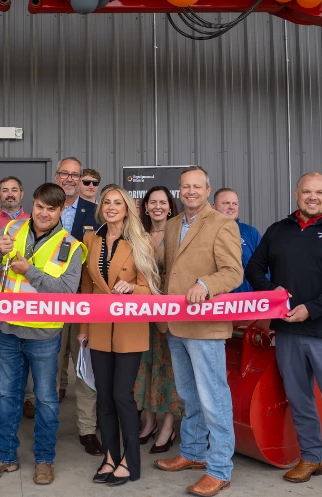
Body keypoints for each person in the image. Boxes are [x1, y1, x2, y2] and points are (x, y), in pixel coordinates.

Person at [245, 172, 322, 497]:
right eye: (306, 191)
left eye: (319, 192)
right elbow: (254, 268)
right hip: (287, 333)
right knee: (300, 402)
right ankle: (311, 458)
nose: (312, 197)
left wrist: (310, 309)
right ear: (296, 194)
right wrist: (273, 293)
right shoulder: (278, 230)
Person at [0, 183, 86, 485]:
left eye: (52, 209)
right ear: (32, 204)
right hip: (7, 330)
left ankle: (45, 460)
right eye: (40, 206)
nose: (44, 213)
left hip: (44, 336)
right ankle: (4, 457)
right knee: (8, 396)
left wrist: (30, 272)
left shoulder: (72, 246)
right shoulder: (12, 228)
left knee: (47, 400)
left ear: (61, 210)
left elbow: (66, 292)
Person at [154, 166, 243, 497]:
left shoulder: (223, 224)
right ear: (180, 190)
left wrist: (205, 284)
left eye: (197, 186)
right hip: (176, 324)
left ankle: (219, 469)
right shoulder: (174, 223)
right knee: (189, 396)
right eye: (185, 186)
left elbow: (233, 272)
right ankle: (192, 453)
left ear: (208, 190)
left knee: (213, 399)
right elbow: (171, 272)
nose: (190, 191)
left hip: (205, 327)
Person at [78, 184, 160, 485]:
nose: (111, 207)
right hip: (99, 329)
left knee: (122, 396)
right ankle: (110, 457)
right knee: (104, 398)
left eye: (118, 203)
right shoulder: (91, 239)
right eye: (107, 202)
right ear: (101, 207)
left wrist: (133, 288)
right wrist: (84, 329)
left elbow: (151, 288)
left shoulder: (141, 240)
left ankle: (130, 462)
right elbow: (87, 288)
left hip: (129, 329)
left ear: (127, 209)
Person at [51, 157, 101, 454]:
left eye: (75, 175)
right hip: (51, 302)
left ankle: (87, 429)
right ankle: (48, 427)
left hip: (83, 302)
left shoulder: (96, 213)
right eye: (65, 174)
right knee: (49, 368)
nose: (70, 179)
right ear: (56, 176)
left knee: (85, 370)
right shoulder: (44, 208)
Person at [134, 186, 183, 455]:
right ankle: (149, 421)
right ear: (145, 206)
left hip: (170, 312)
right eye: (152, 202)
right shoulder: (138, 236)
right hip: (143, 313)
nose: (157, 207)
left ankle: (167, 425)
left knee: (168, 367)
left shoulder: (178, 234)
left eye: (162, 202)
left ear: (170, 205)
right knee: (145, 365)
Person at [213, 187, 263, 293]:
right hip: (216, 304)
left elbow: (264, 269)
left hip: (246, 303)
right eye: (226, 203)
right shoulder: (205, 232)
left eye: (235, 204)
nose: (231, 207)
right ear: (214, 207)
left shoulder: (251, 233)